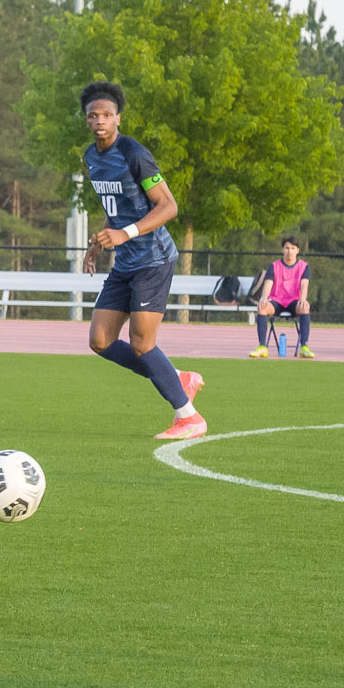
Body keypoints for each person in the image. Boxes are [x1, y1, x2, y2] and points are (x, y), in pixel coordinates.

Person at [77, 81, 207, 440]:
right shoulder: (90, 157)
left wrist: (125, 235)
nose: (100, 120)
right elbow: (114, 208)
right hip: (124, 262)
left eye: (106, 114)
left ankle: (189, 417)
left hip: (153, 259)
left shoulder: (134, 152)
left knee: (141, 343)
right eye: (93, 115)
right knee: (100, 341)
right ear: (87, 120)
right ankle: (178, 378)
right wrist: (100, 242)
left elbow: (168, 206)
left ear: (118, 117)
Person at [249, 236, 314, 358]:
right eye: (287, 248)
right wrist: (264, 298)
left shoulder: (304, 266)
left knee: (305, 307)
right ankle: (262, 346)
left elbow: (304, 284)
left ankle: (304, 346)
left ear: (297, 250)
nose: (289, 251)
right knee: (262, 307)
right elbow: (268, 283)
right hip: (276, 301)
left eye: (292, 248)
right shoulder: (273, 266)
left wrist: (303, 299)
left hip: (294, 302)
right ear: (282, 249)